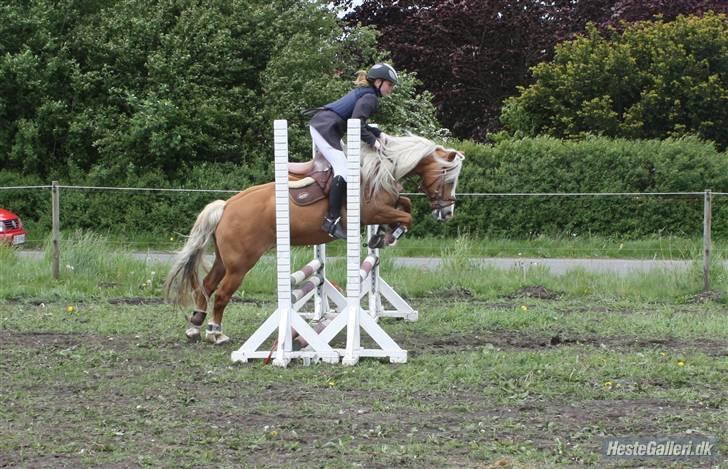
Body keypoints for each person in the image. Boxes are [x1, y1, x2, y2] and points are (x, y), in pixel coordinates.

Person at [308, 63, 398, 239]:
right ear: (378, 82)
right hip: (325, 128)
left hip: (327, 127)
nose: (392, 89)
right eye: (390, 84)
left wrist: (379, 134)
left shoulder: (368, 94)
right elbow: (357, 125)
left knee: (350, 167)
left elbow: (358, 123)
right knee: (344, 169)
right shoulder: (370, 98)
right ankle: (332, 220)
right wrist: (375, 143)